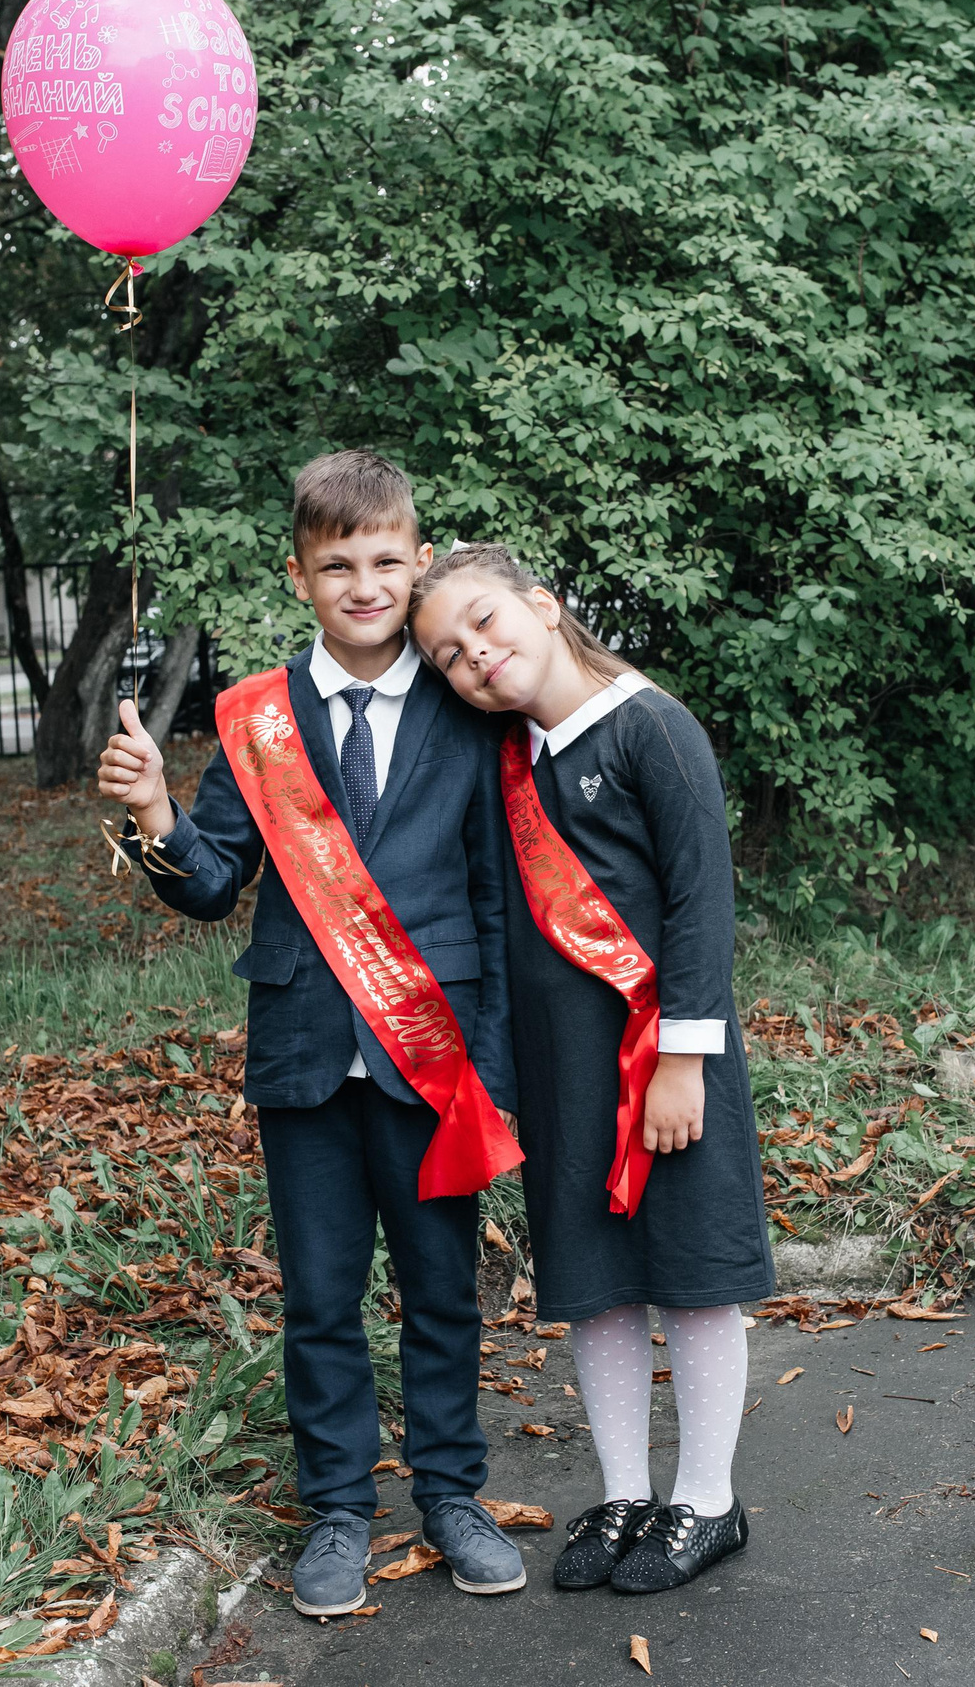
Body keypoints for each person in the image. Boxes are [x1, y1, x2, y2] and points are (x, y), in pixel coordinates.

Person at [95, 452, 527, 1619]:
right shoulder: (255, 715)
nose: (364, 583)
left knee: (442, 1291)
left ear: (419, 562)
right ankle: (338, 1506)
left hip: (430, 1051)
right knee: (321, 1297)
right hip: (302, 1061)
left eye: (386, 561)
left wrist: (490, 1069)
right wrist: (153, 816)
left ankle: (450, 1493)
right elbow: (211, 880)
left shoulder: (464, 708)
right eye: (337, 565)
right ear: (300, 577)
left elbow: (494, 895)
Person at [408, 542, 775, 1596]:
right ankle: (623, 1495)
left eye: (483, 623)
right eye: (445, 656)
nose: (474, 655)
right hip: (562, 1072)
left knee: (694, 1278)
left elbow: (702, 907)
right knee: (598, 1285)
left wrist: (683, 1062)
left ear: (542, 602)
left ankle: (706, 1500)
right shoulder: (509, 754)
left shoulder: (653, 727)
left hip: (666, 1068)